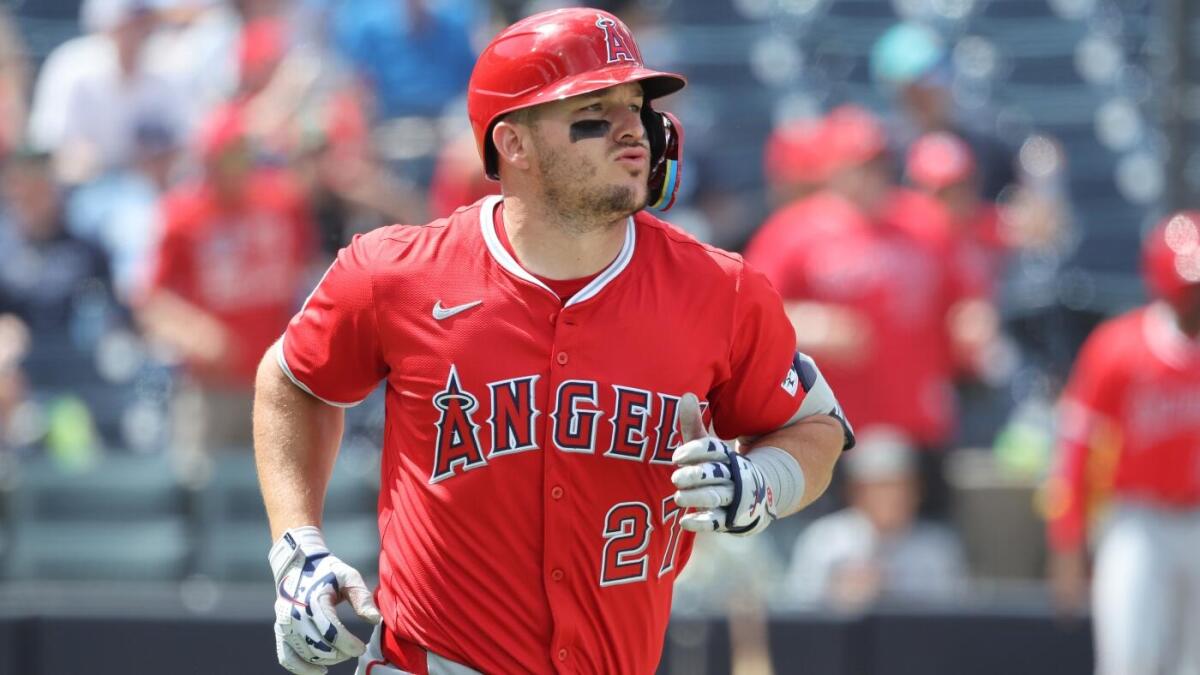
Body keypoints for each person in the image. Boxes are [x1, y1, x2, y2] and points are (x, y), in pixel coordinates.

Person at [253, 8, 853, 675]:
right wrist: (296, 547)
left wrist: (762, 482)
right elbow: (293, 381)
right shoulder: (396, 273)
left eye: (636, 106)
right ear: (513, 143)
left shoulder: (721, 289)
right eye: (593, 111)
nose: (633, 129)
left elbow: (815, 426)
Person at [1045, 212, 1200, 675]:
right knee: (1128, 660)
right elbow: (1074, 449)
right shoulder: (1118, 346)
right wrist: (1068, 539)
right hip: (1137, 520)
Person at [139, 105, 314, 481]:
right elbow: (151, 301)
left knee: (280, 492)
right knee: (199, 487)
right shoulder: (182, 215)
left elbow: (311, 273)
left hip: (276, 382)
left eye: (240, 153)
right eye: (223, 156)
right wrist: (193, 332)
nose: (233, 165)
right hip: (211, 387)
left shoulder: (283, 202)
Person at [786, 427, 967, 610]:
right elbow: (797, 609)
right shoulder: (824, 540)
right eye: (879, 487)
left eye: (899, 486)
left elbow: (955, 615)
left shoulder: (936, 548)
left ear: (916, 490)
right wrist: (837, 593)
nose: (891, 497)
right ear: (854, 490)